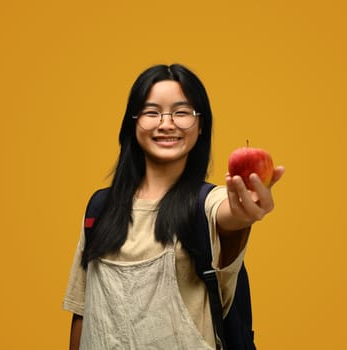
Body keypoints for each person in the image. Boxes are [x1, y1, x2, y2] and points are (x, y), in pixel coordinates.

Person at [63, 63, 285, 349]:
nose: (166, 123)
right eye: (152, 112)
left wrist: (244, 212)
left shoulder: (208, 203)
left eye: (181, 112)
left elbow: (226, 215)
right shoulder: (100, 208)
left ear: (201, 124)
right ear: (133, 122)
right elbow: (83, 310)